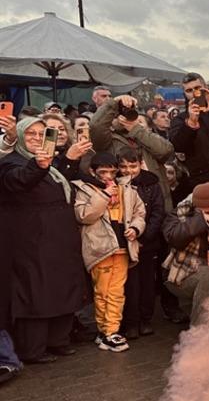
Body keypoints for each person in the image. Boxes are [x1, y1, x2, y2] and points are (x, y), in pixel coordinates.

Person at [0, 117, 86, 363]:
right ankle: (33, 350)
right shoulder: (11, 162)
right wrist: (38, 165)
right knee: (36, 293)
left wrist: (68, 160)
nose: (37, 138)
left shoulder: (51, 163)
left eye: (41, 134)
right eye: (30, 134)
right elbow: (20, 181)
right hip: (32, 240)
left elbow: (60, 184)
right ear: (19, 137)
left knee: (61, 288)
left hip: (58, 237)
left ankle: (58, 340)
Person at [72, 152, 146, 353]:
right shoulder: (84, 189)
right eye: (103, 172)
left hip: (123, 247)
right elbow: (84, 215)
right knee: (102, 291)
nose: (108, 177)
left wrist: (136, 228)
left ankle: (110, 330)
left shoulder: (128, 189)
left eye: (112, 172)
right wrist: (104, 195)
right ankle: (106, 331)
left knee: (116, 291)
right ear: (92, 171)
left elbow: (140, 212)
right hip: (100, 248)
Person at [163, 182, 209, 325]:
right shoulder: (180, 213)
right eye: (206, 212)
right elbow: (173, 238)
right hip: (180, 276)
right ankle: (199, 335)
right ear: (196, 208)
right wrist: (201, 221)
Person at [92, 92, 175, 210]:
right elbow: (96, 127)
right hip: (125, 206)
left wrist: (136, 129)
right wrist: (113, 103)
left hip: (157, 204)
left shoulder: (149, 137)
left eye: (138, 120)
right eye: (120, 115)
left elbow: (166, 151)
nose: (128, 120)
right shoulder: (108, 141)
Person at [117, 147, 166, 339]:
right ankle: (130, 322)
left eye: (133, 166)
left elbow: (157, 211)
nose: (129, 170)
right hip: (126, 242)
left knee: (147, 283)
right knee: (129, 285)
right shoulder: (117, 183)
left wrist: (145, 236)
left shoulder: (151, 182)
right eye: (124, 166)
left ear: (140, 164)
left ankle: (145, 319)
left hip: (146, 242)